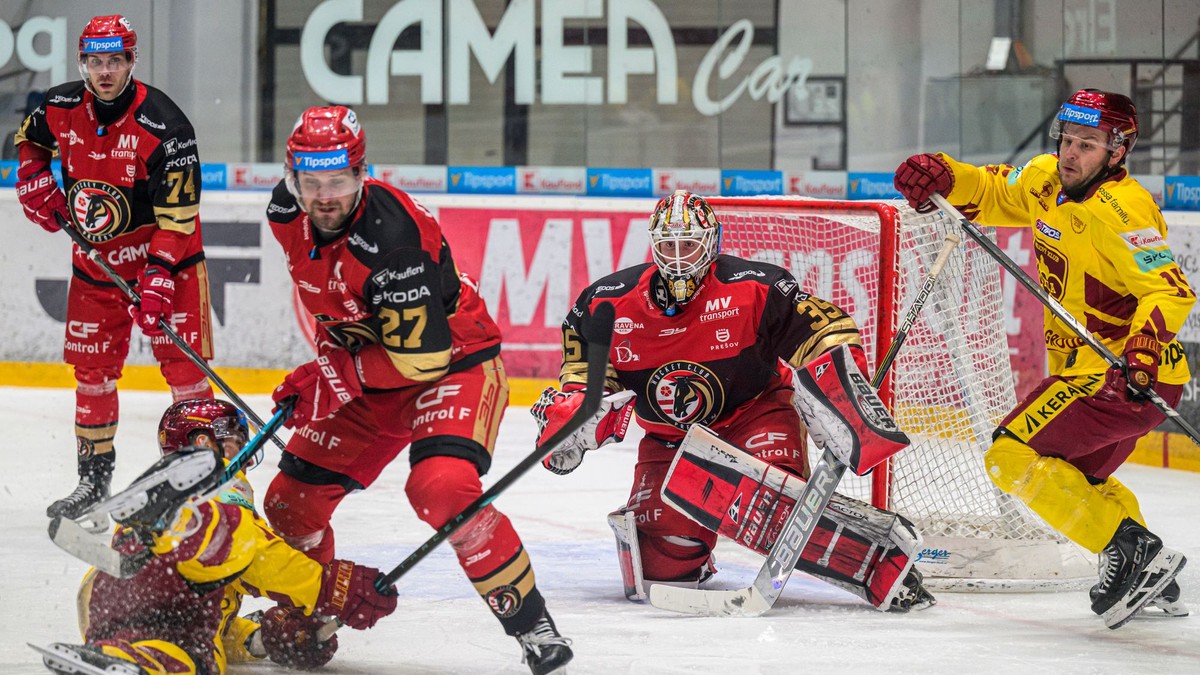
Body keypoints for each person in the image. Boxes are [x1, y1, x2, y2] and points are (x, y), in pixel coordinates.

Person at [260, 105, 572, 675]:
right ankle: (309, 613)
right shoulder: (285, 212)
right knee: (289, 504)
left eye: (338, 181)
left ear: (361, 174)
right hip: (375, 370)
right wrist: (329, 369)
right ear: (292, 178)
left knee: (442, 487)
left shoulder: (393, 240)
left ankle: (531, 623)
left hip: (453, 363)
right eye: (311, 182)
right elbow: (340, 304)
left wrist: (331, 377)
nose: (324, 196)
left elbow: (422, 358)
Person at [532, 190, 933, 612]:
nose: (678, 256)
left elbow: (824, 328)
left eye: (688, 244)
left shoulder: (755, 287)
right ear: (653, 244)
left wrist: (838, 386)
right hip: (672, 439)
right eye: (668, 245)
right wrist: (573, 417)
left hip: (754, 416)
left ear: (712, 242)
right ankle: (694, 552)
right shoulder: (603, 304)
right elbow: (585, 383)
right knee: (660, 569)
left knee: (773, 506)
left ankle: (881, 563)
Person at [893, 88, 1193, 628]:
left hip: (1122, 374)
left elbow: (1170, 290)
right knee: (1079, 479)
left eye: (1089, 144)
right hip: (1104, 375)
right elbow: (990, 190)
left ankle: (1137, 556)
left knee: (1008, 455)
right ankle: (1153, 573)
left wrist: (1142, 350)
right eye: (1068, 140)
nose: (1071, 153)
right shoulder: (1045, 180)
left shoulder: (1125, 212)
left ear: (1117, 152)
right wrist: (943, 174)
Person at [14, 14, 214, 521]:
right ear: (83, 63)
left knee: (187, 374)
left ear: (132, 61)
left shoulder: (166, 126)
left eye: (115, 60)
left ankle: (196, 478)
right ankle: (92, 481)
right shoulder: (59, 106)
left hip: (169, 265)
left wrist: (160, 273)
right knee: (93, 376)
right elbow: (30, 139)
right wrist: (34, 177)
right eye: (95, 61)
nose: (104, 71)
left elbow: (180, 217)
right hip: (95, 268)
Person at [37, 398, 398, 675]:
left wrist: (259, 642)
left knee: (180, 638)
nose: (243, 455)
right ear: (202, 443)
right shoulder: (225, 490)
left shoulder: (190, 501)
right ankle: (139, 656)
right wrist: (331, 587)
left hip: (112, 592)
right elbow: (255, 553)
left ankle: (115, 657)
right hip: (182, 570)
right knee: (195, 657)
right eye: (233, 442)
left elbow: (217, 618)